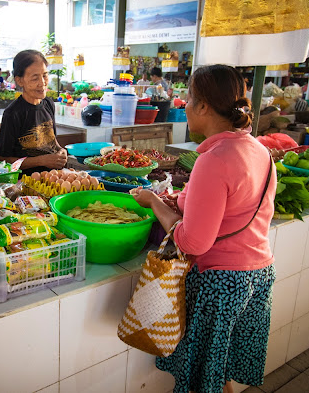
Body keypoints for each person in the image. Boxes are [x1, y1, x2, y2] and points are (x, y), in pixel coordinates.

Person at [131, 64, 276, 393]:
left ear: (204, 107)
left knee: (201, 380)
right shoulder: (258, 150)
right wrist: (177, 200)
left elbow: (192, 242)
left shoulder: (215, 159)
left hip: (221, 282)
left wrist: (155, 203)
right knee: (216, 370)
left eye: (188, 100)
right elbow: (232, 204)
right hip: (257, 275)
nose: (184, 107)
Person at [0, 50, 67, 175]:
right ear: (20, 81)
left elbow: (51, 140)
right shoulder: (13, 114)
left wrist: (61, 150)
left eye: (45, 75)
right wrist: (41, 161)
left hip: (52, 179)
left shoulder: (48, 104)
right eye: (35, 78)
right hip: (26, 183)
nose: (42, 83)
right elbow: (3, 159)